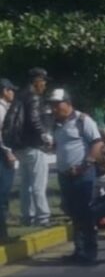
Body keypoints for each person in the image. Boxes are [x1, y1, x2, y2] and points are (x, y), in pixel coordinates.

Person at [49, 89, 104, 265]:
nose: (54, 108)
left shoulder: (83, 120)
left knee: (85, 213)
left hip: (83, 175)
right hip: (65, 176)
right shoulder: (56, 124)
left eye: (57, 104)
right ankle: (79, 250)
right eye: (52, 105)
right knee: (73, 213)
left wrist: (85, 165)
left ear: (68, 103)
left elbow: (97, 143)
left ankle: (90, 252)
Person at [14, 68, 53, 227]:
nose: (44, 85)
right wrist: (45, 135)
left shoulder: (21, 96)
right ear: (36, 81)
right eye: (43, 81)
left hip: (22, 146)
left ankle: (27, 216)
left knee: (26, 184)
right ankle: (43, 217)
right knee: (38, 184)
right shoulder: (34, 98)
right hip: (35, 145)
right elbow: (34, 120)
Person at [0, 78, 18, 240]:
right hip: (2, 154)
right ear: (4, 91)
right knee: (2, 193)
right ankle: (2, 233)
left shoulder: (6, 108)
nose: (13, 93)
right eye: (11, 90)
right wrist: (7, 152)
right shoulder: (0, 109)